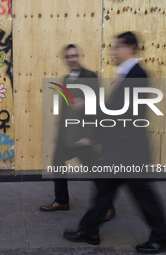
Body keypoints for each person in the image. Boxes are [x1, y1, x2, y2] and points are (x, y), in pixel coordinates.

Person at [63, 32, 166, 254]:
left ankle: (161, 238)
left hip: (130, 151)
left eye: (117, 47)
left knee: (144, 196)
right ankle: (89, 231)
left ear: (130, 48)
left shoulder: (136, 74)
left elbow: (122, 112)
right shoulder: (126, 73)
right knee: (104, 191)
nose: (113, 51)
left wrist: (89, 106)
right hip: (120, 149)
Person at [40, 44, 115, 222]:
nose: (72, 59)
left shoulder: (89, 76)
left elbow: (97, 104)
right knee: (57, 162)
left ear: (78, 57)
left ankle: (108, 207)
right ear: (65, 59)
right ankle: (62, 201)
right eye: (69, 56)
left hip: (83, 136)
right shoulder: (66, 78)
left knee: (95, 172)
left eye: (74, 56)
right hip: (67, 136)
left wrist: (90, 135)